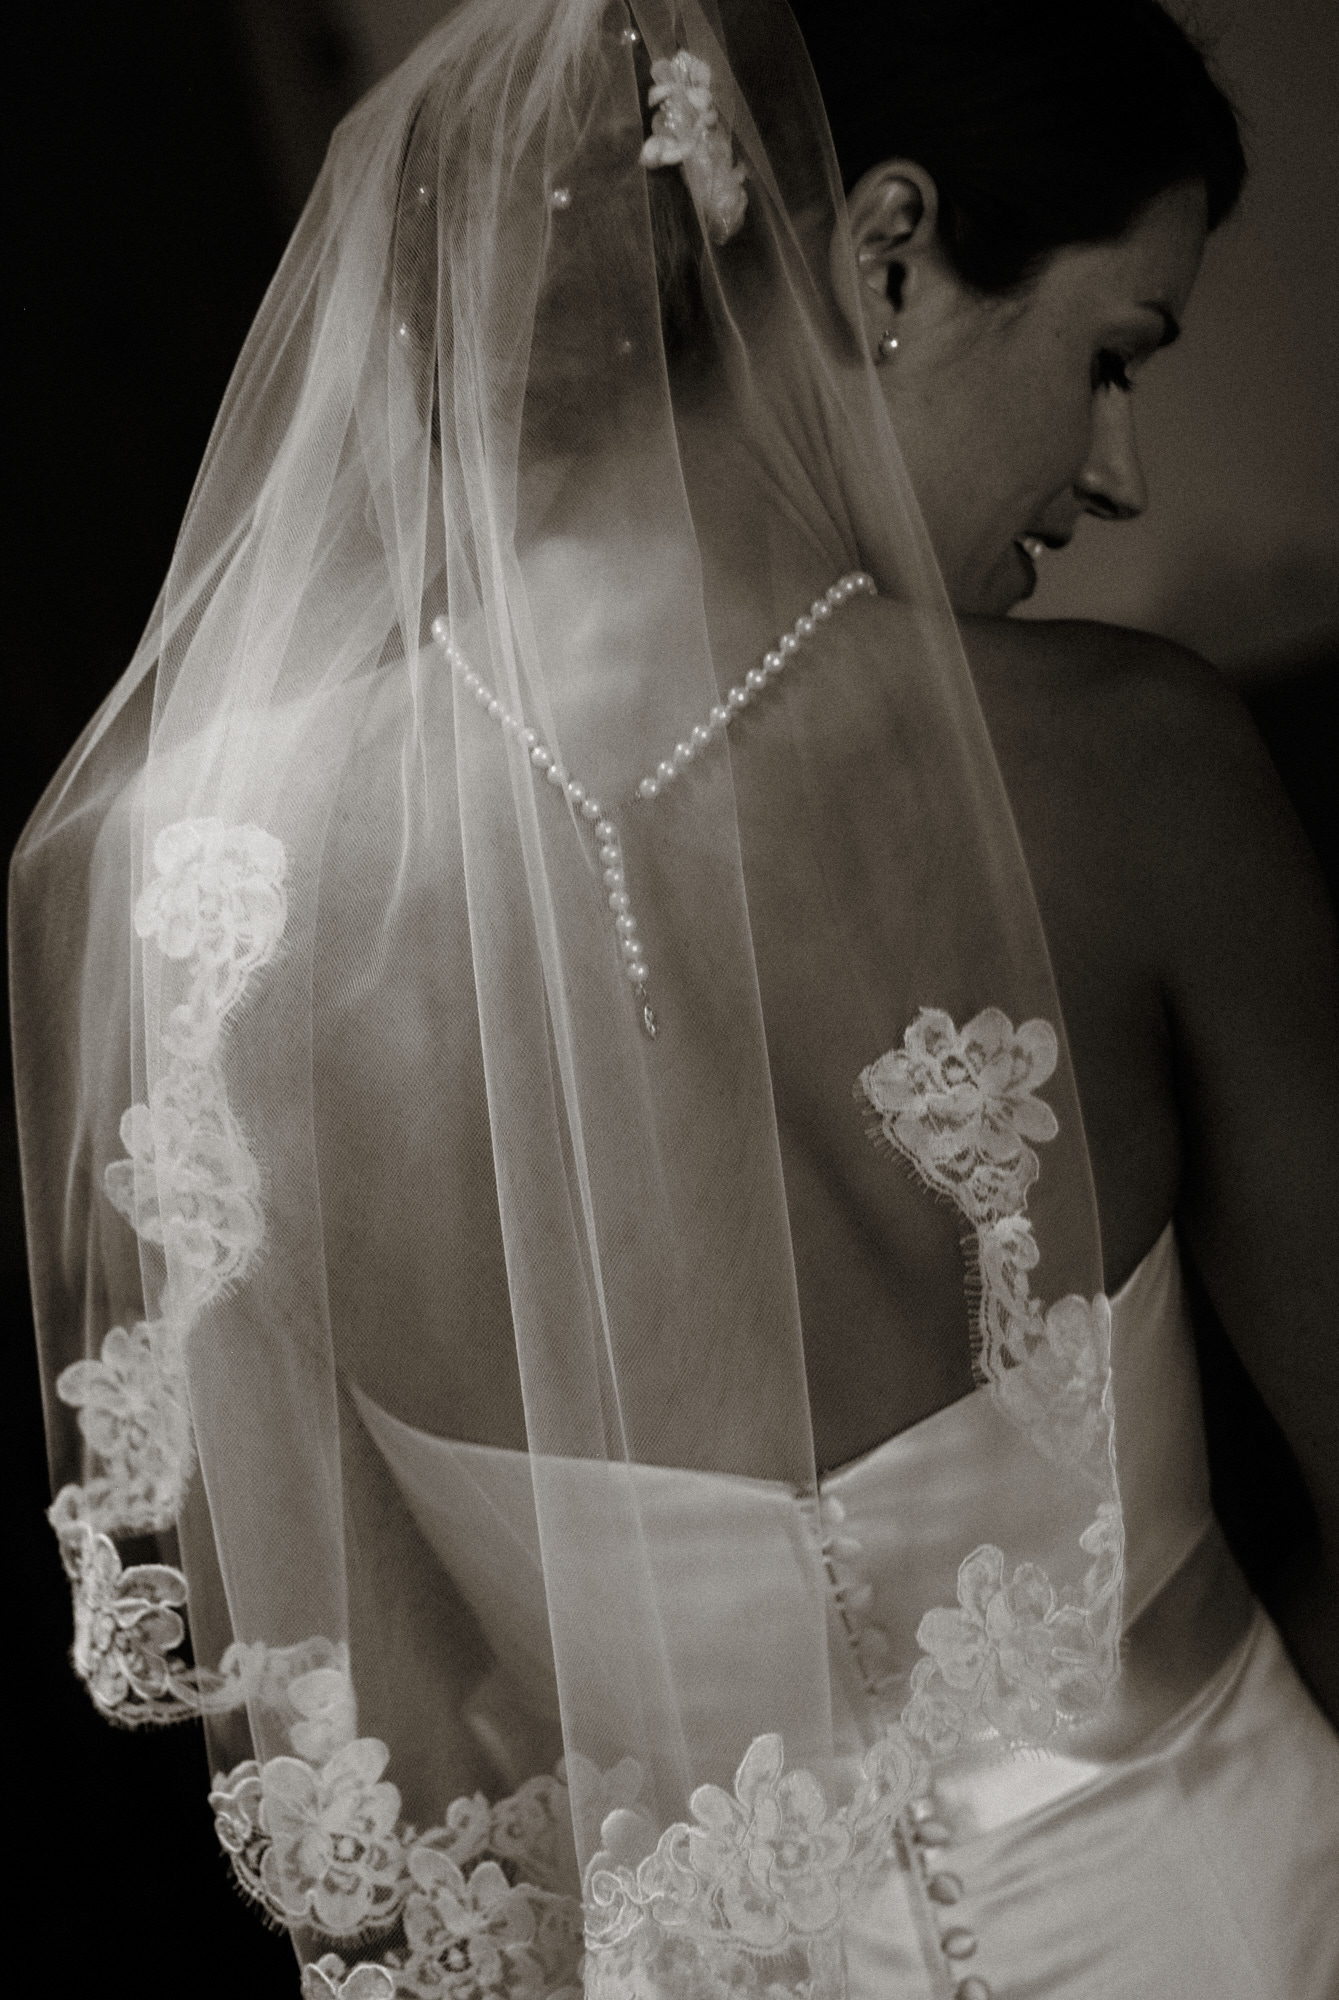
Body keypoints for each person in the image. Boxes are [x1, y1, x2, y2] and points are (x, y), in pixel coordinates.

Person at [11, 3, 1336, 1997]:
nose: (1116, 470)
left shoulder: (211, 904)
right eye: (1112, 354)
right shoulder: (1128, 770)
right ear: (886, 254)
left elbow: (380, 1754)